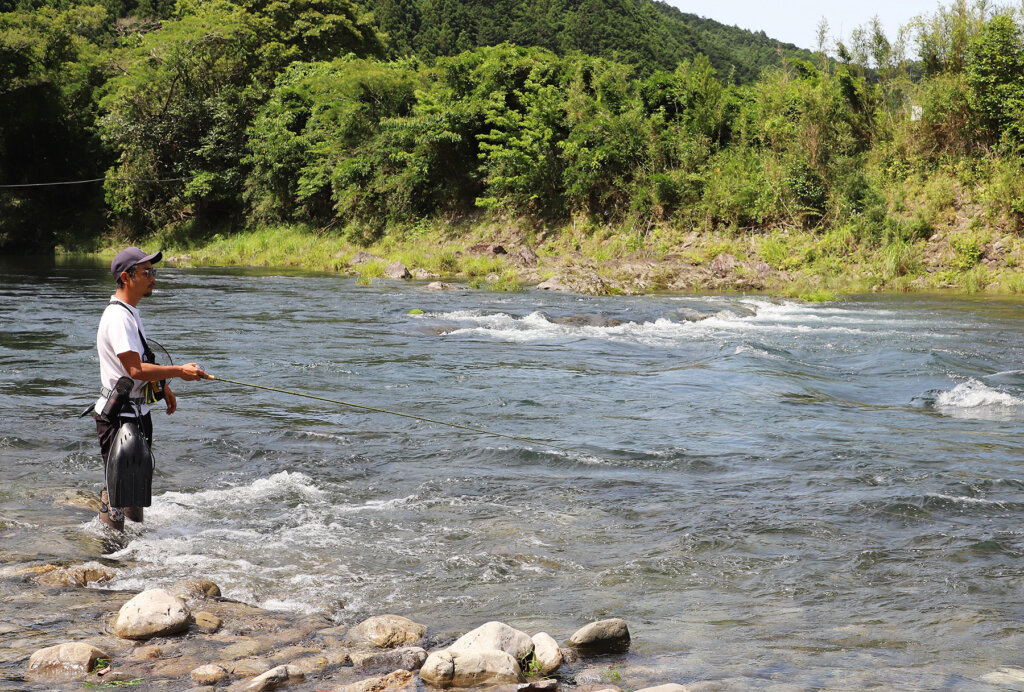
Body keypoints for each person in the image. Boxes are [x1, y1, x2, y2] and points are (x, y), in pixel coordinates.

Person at [93, 246, 209, 530]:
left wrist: (162, 386)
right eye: (146, 272)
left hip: (134, 414)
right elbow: (134, 369)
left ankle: (133, 550)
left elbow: (139, 365)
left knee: (135, 486)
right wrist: (180, 372)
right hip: (119, 416)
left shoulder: (130, 313)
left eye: (152, 271)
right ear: (126, 277)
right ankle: (110, 558)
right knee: (118, 491)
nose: (152, 278)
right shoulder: (119, 317)